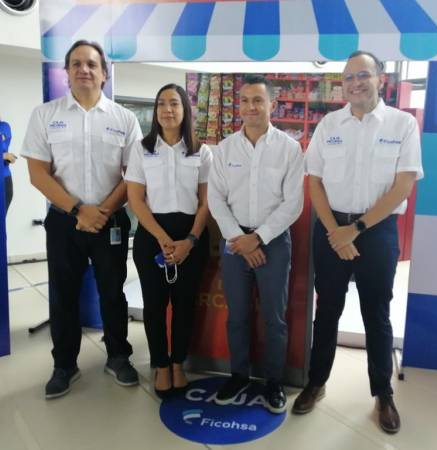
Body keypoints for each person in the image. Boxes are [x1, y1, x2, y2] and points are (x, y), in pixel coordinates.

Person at [293, 51, 423, 434]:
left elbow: (404, 183)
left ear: (380, 78)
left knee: (376, 314)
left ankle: (382, 393)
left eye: (363, 75)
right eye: (348, 77)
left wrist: (358, 229)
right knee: (328, 308)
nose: (355, 83)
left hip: (377, 230)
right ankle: (316, 383)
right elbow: (314, 180)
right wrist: (336, 230)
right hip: (332, 228)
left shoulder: (402, 124)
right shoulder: (329, 124)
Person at [21, 40, 142, 399]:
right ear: (67, 71)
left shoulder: (124, 118)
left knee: (112, 293)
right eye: (76, 63)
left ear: (104, 73)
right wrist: (78, 210)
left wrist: (101, 211)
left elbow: (133, 174)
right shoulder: (45, 114)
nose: (84, 69)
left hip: (111, 221)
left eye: (92, 64)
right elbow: (38, 174)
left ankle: (118, 356)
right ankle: (64, 365)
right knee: (63, 295)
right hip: (63, 222)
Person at [207, 74, 304, 414]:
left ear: (271, 105)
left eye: (258, 100)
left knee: (274, 317)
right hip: (234, 242)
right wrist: (240, 239)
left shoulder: (289, 149)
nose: (251, 106)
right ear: (239, 105)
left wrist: (258, 238)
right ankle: (239, 375)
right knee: (238, 315)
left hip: (273, 243)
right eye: (245, 100)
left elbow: (293, 203)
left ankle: (274, 381)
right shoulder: (225, 148)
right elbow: (216, 199)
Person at [125, 83, 211, 399]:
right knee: (156, 305)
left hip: (191, 235)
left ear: (185, 110)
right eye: (161, 103)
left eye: (174, 104)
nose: (167, 110)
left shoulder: (201, 151)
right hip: (152, 236)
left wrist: (189, 240)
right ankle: (161, 364)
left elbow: (205, 203)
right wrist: (162, 238)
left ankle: (178, 363)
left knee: (185, 305)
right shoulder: (141, 148)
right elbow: (135, 199)